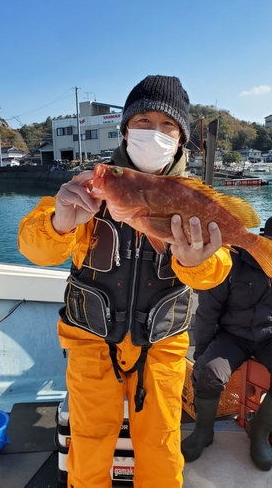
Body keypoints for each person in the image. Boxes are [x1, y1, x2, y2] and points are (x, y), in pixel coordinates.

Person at [18, 75, 233, 488]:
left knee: (161, 443)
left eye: (168, 125)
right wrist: (60, 221)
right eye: (143, 121)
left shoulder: (196, 196)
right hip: (90, 343)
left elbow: (215, 270)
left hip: (162, 348)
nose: (155, 132)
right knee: (88, 439)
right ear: (125, 130)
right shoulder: (88, 187)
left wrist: (194, 261)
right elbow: (36, 250)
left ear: (182, 139)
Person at [181, 213, 272, 471]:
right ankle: (203, 431)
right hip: (232, 335)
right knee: (207, 373)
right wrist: (202, 354)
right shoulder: (231, 261)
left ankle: (259, 431)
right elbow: (208, 311)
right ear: (266, 241)